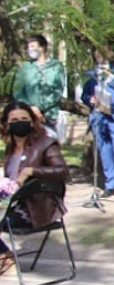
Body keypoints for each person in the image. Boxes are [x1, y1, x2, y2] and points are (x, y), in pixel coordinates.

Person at [0, 101, 71, 275]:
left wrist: (31, 171)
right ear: (6, 124)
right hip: (11, 205)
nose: (20, 122)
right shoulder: (11, 148)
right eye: (14, 119)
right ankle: (4, 254)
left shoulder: (46, 143)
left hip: (36, 209)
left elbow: (63, 172)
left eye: (24, 118)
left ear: (32, 121)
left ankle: (4, 255)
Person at [81, 48, 114, 200]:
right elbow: (85, 94)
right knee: (105, 152)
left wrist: (112, 78)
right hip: (99, 116)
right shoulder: (92, 74)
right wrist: (89, 99)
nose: (100, 57)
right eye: (97, 54)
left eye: (103, 54)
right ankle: (109, 185)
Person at [13, 34, 66, 131]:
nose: (30, 50)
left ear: (42, 48)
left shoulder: (56, 66)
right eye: (28, 47)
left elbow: (57, 91)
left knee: (48, 144)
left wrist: (40, 108)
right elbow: (17, 91)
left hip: (49, 116)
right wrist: (31, 108)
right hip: (28, 115)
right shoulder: (25, 67)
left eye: (33, 46)